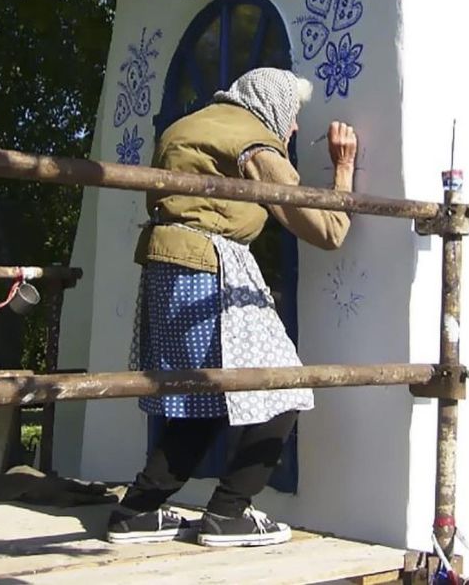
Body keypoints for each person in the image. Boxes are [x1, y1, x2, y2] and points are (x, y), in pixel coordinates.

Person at [107, 67, 357, 548]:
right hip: (210, 266)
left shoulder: (186, 127)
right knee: (285, 384)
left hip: (165, 268)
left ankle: (134, 512)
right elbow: (328, 230)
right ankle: (228, 513)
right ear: (274, 105)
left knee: (202, 398)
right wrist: (343, 169)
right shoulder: (255, 143)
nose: (296, 127)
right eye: (294, 114)